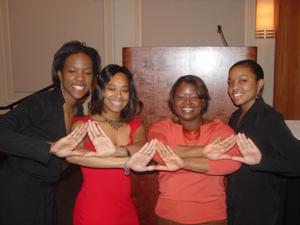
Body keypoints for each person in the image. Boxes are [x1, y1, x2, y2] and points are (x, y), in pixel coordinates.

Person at [66, 64, 183, 225]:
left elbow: (142, 147)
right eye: (112, 88)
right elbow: (74, 156)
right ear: (101, 90)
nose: (119, 95)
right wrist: (126, 161)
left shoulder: (135, 125)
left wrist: (114, 151)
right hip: (93, 209)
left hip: (125, 209)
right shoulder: (83, 125)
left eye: (125, 90)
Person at [0, 40, 101, 225]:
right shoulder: (40, 104)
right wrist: (49, 148)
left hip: (47, 191)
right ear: (59, 74)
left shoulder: (78, 110)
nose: (80, 78)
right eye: (72, 71)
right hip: (18, 191)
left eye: (87, 73)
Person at [148, 75, 241, 225]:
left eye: (194, 97)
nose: (187, 102)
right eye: (181, 97)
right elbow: (157, 152)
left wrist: (181, 163)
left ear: (203, 101)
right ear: (173, 101)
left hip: (212, 216)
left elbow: (232, 163)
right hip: (169, 215)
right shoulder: (161, 128)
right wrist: (204, 152)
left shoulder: (220, 131)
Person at [223, 59, 300, 225]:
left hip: (261, 209)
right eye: (230, 82)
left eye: (243, 80)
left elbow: (296, 162)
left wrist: (261, 161)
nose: (234, 87)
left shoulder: (268, 117)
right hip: (238, 202)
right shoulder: (236, 116)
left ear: (259, 85)